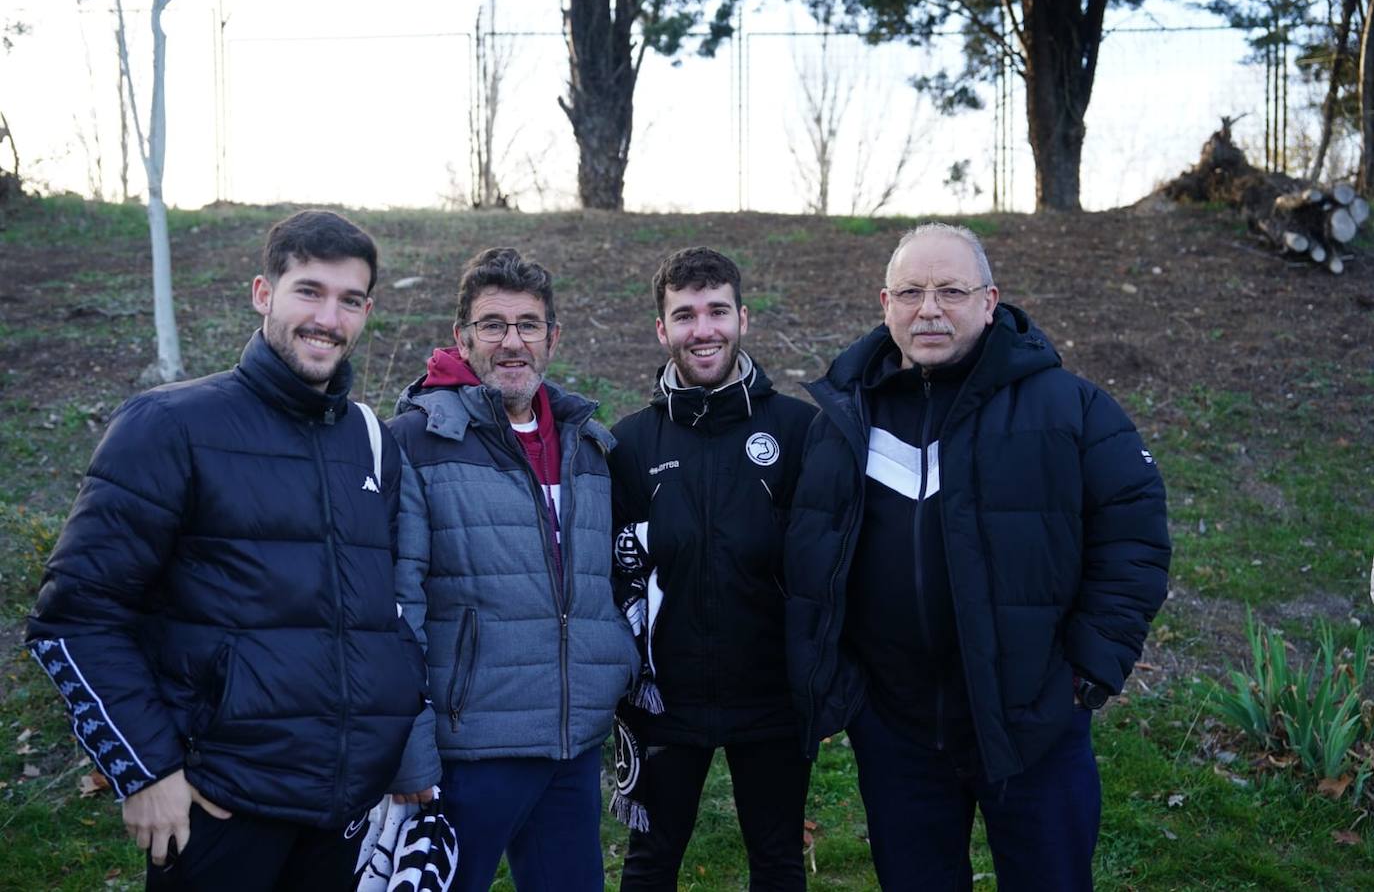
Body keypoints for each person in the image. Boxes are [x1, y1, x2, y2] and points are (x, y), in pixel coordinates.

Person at [26, 210, 433, 890]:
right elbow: (76, 618)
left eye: (350, 300)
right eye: (309, 290)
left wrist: (389, 730)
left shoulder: (368, 438)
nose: (328, 318)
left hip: (341, 808)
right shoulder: (169, 425)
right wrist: (145, 768)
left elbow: (376, 607)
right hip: (223, 804)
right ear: (262, 293)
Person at [784, 223, 1171, 891]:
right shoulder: (845, 420)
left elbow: (1134, 536)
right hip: (897, 732)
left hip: (1035, 721)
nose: (929, 308)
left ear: (990, 302)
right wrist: (847, 692)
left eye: (951, 290)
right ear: (885, 303)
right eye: (911, 291)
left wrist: (1088, 671)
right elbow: (807, 555)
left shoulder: (1069, 408)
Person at [389, 247, 640, 892]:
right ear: (462, 337)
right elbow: (395, 611)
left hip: (572, 745)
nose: (511, 342)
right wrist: (408, 747)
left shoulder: (590, 444)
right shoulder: (415, 444)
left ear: (551, 338)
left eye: (528, 324)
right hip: (470, 749)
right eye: (492, 324)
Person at [606, 247, 817, 891]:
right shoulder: (630, 443)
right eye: (685, 314)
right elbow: (617, 576)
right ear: (662, 330)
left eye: (717, 311)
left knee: (777, 861)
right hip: (663, 701)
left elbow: (824, 564)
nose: (704, 329)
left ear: (743, 318)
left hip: (774, 697)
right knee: (649, 865)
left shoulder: (801, 429)